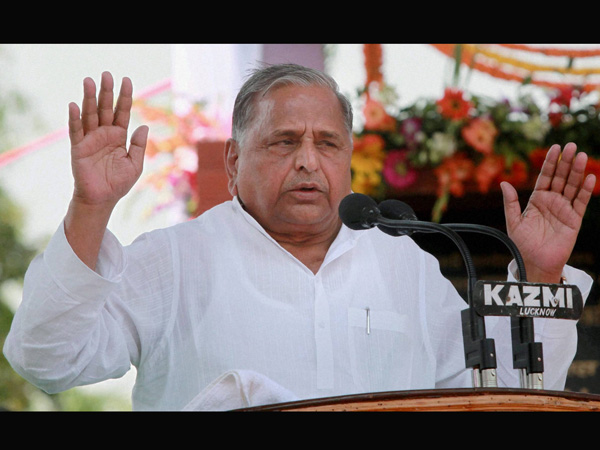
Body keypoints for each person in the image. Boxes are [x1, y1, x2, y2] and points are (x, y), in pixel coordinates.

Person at [4, 64, 597, 411]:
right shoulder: (175, 260)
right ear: (233, 161)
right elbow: (45, 360)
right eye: (284, 142)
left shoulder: (408, 266)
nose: (308, 161)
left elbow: (502, 400)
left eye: (327, 143)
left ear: (349, 161)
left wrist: (541, 277)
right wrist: (91, 207)